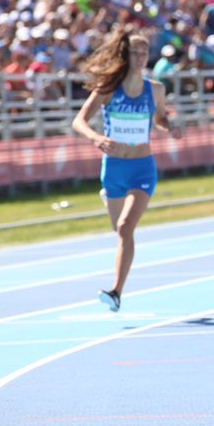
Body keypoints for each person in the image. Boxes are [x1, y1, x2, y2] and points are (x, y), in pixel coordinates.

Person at [71, 29, 183, 311]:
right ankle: (107, 195)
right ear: (124, 54)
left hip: (142, 168)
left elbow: (159, 119)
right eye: (134, 52)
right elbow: (79, 121)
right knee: (119, 230)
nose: (139, 57)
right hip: (114, 168)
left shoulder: (155, 89)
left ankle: (116, 291)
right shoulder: (109, 88)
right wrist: (95, 138)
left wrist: (170, 126)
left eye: (144, 52)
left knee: (124, 227)